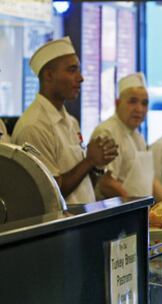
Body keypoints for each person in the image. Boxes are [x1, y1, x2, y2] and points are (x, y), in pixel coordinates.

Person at [12, 37, 118, 204]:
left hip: (81, 221)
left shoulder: (71, 121)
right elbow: (49, 191)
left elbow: (81, 181)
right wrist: (89, 160)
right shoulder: (34, 126)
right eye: (72, 70)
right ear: (49, 75)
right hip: (59, 228)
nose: (80, 78)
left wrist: (97, 164)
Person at [91, 72, 162, 202]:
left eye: (144, 103)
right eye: (132, 102)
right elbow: (106, 183)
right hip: (116, 213)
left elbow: (149, 180)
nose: (139, 109)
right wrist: (136, 208)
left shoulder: (137, 136)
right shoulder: (107, 132)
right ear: (117, 103)